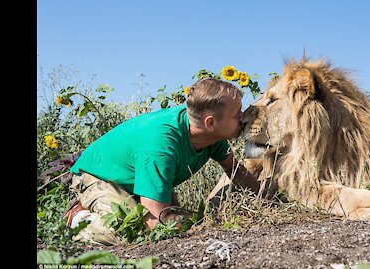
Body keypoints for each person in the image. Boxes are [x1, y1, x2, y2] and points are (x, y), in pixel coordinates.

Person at [66, 78, 260, 245]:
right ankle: (79, 219)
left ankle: (136, 203)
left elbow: (237, 172)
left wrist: (267, 199)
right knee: (131, 230)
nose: (244, 118)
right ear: (211, 123)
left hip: (136, 182)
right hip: (98, 177)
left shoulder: (212, 137)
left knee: (180, 221)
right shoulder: (161, 146)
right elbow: (156, 222)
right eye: (237, 115)